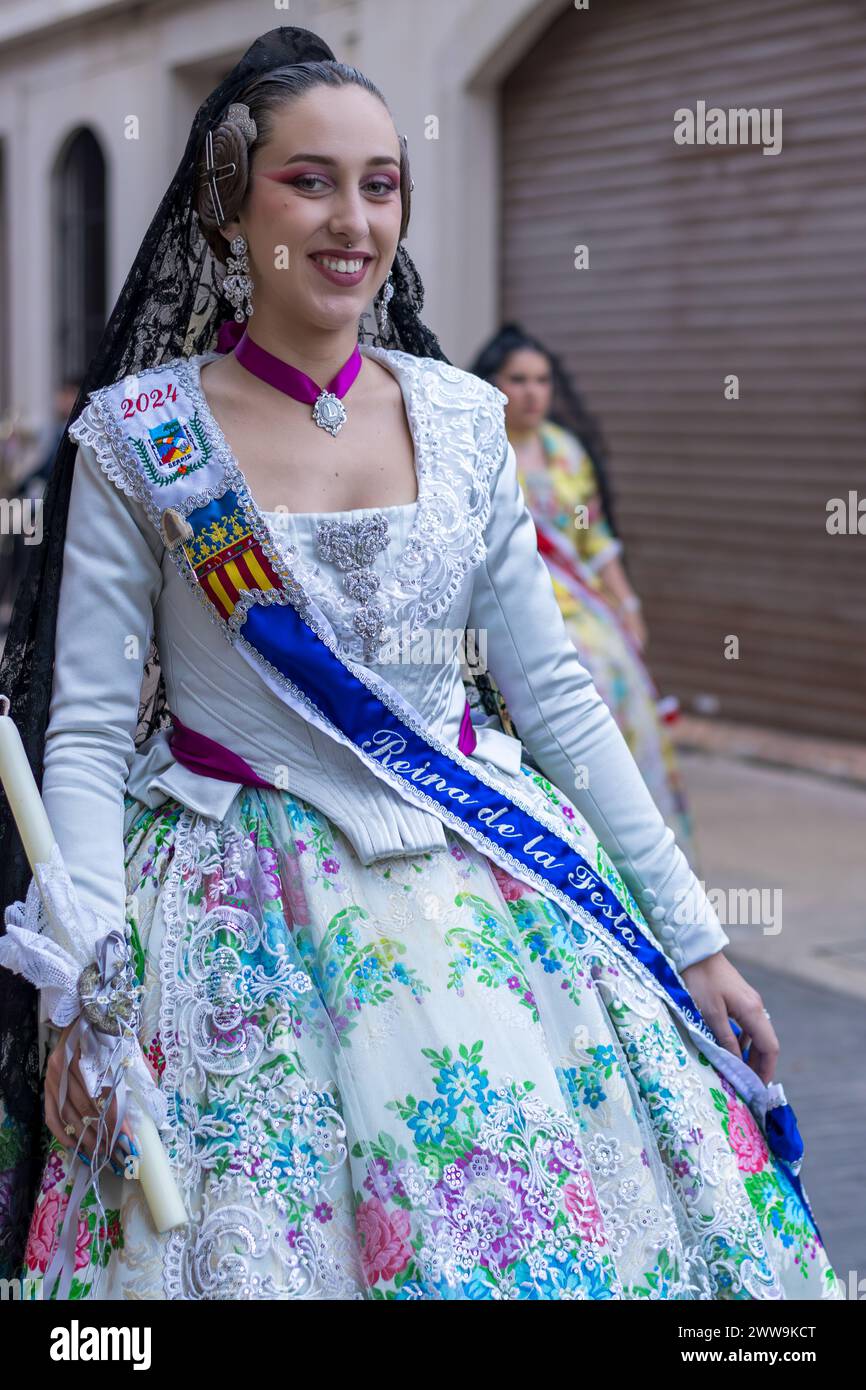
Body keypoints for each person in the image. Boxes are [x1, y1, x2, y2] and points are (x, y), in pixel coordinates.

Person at [0, 26, 841, 1302]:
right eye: (308, 180)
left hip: (485, 897)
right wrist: (90, 994)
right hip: (235, 919)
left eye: (380, 183)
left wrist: (695, 938)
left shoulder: (458, 419)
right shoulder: (139, 438)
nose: (351, 219)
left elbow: (552, 693)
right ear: (229, 208)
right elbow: (85, 729)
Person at [469, 325, 695, 856]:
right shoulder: (477, 448)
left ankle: (637, 844)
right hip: (508, 608)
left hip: (583, 605)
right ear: (493, 384)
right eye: (518, 379)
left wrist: (628, 604)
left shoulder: (565, 452)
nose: (531, 393)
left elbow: (594, 541)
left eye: (542, 380)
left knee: (621, 692)